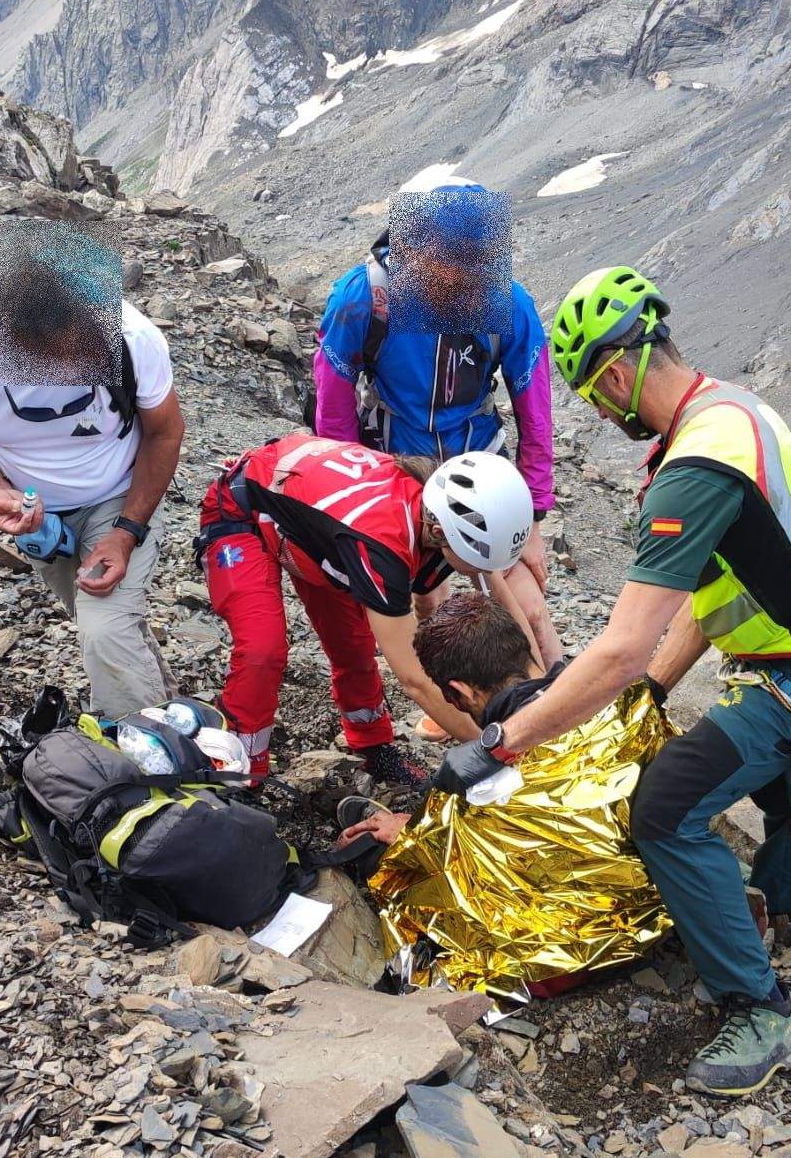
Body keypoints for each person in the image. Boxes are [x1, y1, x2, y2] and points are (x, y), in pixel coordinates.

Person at [429, 266, 791, 1097]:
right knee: (784, 772)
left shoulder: (691, 470)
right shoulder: (730, 410)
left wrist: (503, 740)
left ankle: (762, 1007)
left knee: (665, 806)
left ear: (613, 373)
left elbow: (622, 646)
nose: (602, 414)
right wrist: (653, 696)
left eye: (595, 396)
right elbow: (710, 603)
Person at [0, 246, 185, 718]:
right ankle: (174, 717)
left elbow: (164, 432)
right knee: (102, 625)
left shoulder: (130, 336)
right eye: (55, 362)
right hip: (38, 519)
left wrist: (125, 534)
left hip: (121, 493)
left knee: (105, 629)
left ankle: (148, 771)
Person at [194, 434, 540, 787]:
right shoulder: (382, 546)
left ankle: (374, 746)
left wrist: (542, 698)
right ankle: (239, 771)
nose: (476, 572)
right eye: (473, 562)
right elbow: (415, 680)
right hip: (241, 512)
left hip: (314, 526)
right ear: (439, 534)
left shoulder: (438, 505)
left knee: (354, 647)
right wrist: (498, 752)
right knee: (262, 650)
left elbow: (499, 597)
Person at [312, 181, 559, 668]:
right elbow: (333, 405)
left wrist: (531, 517)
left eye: (474, 258)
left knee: (527, 605)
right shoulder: (365, 298)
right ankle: (462, 702)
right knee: (428, 599)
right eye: (450, 257)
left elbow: (536, 415)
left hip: (479, 458)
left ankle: (558, 701)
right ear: (413, 248)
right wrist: (350, 497)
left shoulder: (509, 304)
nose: (462, 274)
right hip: (398, 464)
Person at [336, 590, 556, 849]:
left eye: (453, 699)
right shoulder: (600, 697)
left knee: (368, 848)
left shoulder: (492, 787)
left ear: (463, 692)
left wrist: (416, 835)